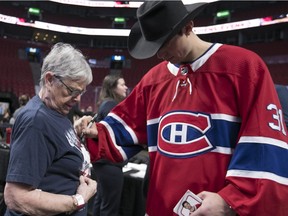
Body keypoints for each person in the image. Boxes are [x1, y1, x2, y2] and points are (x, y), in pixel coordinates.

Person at [74, 1, 288, 215]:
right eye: (154, 46)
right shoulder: (153, 80)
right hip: (159, 207)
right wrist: (97, 132)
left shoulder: (243, 67)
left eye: (164, 43)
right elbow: (125, 127)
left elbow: (264, 146)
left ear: (188, 27)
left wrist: (230, 200)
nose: (160, 54)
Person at [4, 43, 97, 216]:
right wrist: (79, 199)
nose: (77, 99)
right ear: (49, 80)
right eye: (72, 90)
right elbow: (16, 197)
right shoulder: (36, 121)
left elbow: (54, 150)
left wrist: (75, 134)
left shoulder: (57, 110)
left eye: (81, 92)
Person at [92, 74, 128, 216]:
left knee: (102, 200)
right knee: (110, 207)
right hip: (110, 163)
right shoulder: (111, 105)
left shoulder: (106, 104)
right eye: (122, 84)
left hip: (103, 162)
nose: (125, 87)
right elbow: (115, 134)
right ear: (113, 87)